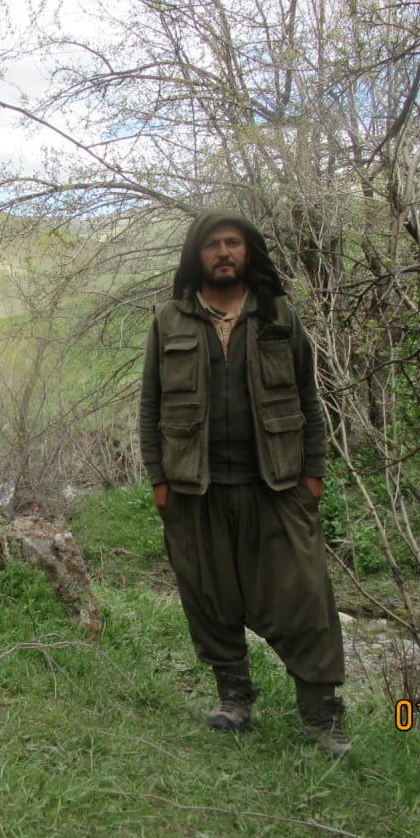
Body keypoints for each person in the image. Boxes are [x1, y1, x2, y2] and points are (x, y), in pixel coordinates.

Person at [138, 210, 350, 757]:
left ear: (247, 251)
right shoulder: (169, 320)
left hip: (275, 485)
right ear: (197, 255)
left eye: (233, 242)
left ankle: (321, 714)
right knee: (210, 597)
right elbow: (150, 407)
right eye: (213, 244)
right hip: (196, 489)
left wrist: (313, 476)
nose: (224, 252)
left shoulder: (278, 315)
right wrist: (160, 480)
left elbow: (309, 398)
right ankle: (234, 696)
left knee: (304, 597)